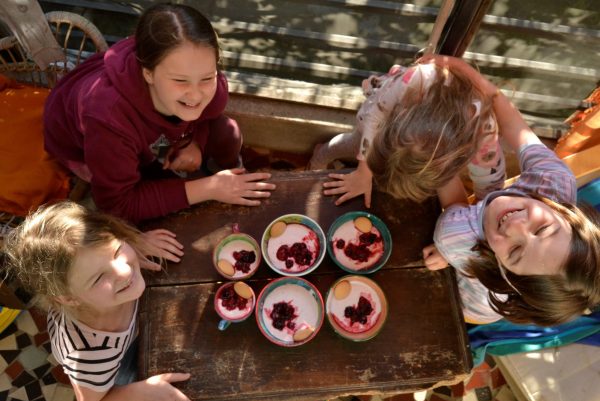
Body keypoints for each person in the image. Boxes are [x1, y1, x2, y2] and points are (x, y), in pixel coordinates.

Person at [44, 4, 275, 223]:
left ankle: (229, 172)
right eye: (180, 81)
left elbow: (204, 118)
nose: (196, 96)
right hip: (88, 145)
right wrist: (210, 187)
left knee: (227, 132)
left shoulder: (204, 81)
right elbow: (116, 204)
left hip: (153, 132)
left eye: (207, 78)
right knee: (158, 184)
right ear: (148, 74)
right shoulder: (108, 118)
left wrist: (192, 141)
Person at [422, 56, 600, 326]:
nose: (515, 225)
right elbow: (516, 126)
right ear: (568, 216)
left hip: (473, 303)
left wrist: (435, 147)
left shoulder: (455, 235)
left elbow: (456, 202)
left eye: (516, 250)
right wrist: (476, 83)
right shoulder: (553, 179)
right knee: (484, 135)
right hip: (477, 233)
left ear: (501, 269)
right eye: (542, 229)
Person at [3, 201, 192, 401]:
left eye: (117, 250)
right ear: (69, 298)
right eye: (99, 278)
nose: (124, 270)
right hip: (117, 363)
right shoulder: (90, 355)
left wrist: (138, 243)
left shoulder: (104, 275)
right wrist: (141, 392)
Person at [309, 61, 506, 207]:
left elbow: (490, 188)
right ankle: (320, 155)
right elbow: (375, 117)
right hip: (377, 114)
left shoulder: (483, 136)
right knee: (351, 143)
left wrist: (470, 221)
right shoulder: (415, 80)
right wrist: (363, 170)